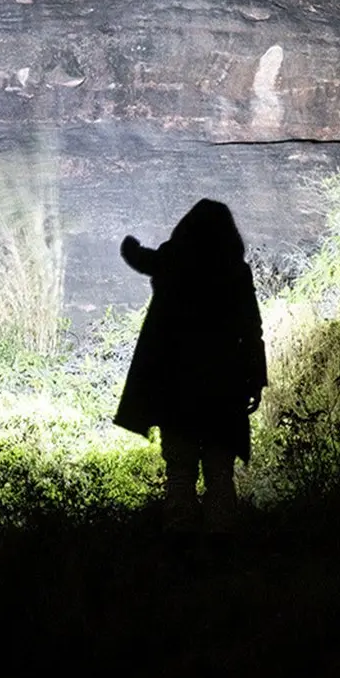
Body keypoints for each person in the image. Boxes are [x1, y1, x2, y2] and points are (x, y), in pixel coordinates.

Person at [114, 199, 267, 533]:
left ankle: (181, 548)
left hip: (177, 387)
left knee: (180, 472)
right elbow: (251, 328)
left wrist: (128, 242)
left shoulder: (172, 262)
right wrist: (256, 378)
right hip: (224, 387)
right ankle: (222, 547)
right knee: (220, 472)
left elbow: (138, 258)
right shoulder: (235, 271)